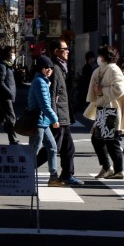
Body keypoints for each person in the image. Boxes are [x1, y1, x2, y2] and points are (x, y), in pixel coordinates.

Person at [37, 39, 83, 186]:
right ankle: (28, 167)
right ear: (56, 51)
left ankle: (67, 175)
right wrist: (53, 118)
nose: (68, 51)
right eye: (65, 48)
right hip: (58, 117)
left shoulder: (61, 68)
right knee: (53, 147)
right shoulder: (56, 69)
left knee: (68, 147)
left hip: (63, 116)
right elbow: (52, 95)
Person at [85, 45, 124, 180]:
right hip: (105, 109)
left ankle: (115, 169)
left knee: (110, 140)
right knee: (101, 139)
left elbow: (119, 88)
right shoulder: (104, 69)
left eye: (101, 55)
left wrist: (102, 90)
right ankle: (108, 167)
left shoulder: (113, 69)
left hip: (110, 110)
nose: (99, 58)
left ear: (104, 57)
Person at [29, 55, 63, 187]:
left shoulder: (43, 81)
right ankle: (26, 175)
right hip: (38, 121)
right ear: (41, 68)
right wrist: (54, 118)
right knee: (33, 151)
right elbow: (44, 105)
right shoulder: (39, 82)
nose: (49, 70)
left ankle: (53, 177)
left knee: (52, 148)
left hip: (43, 121)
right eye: (46, 67)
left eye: (51, 68)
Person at [0, 45, 19, 145]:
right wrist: (9, 93)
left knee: (0, 118)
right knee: (11, 118)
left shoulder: (6, 65)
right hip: (4, 97)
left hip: (5, 96)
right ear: (8, 54)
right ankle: (13, 139)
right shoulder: (2, 65)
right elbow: (0, 82)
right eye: (12, 53)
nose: (14, 55)